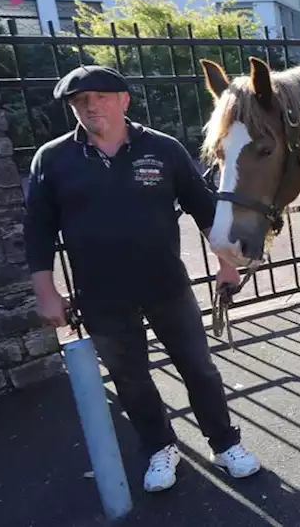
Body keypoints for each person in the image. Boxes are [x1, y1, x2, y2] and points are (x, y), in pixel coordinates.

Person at [23, 65, 261, 493]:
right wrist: (46, 291)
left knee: (199, 369)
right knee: (130, 376)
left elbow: (203, 210)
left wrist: (226, 263)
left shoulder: (163, 149)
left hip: (166, 284)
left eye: (100, 96)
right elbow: (38, 230)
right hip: (101, 295)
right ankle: (159, 447)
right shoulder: (53, 159)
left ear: (123, 100)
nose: (90, 106)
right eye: (80, 101)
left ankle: (224, 444)